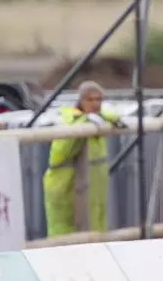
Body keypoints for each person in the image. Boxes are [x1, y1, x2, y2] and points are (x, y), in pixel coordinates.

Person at [42, 81, 124, 237]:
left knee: (97, 224)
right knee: (63, 229)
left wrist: (109, 118)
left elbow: (109, 116)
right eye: (90, 99)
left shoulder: (99, 121)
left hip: (92, 185)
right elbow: (62, 149)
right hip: (64, 184)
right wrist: (87, 121)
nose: (95, 104)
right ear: (80, 100)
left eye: (99, 99)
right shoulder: (69, 120)